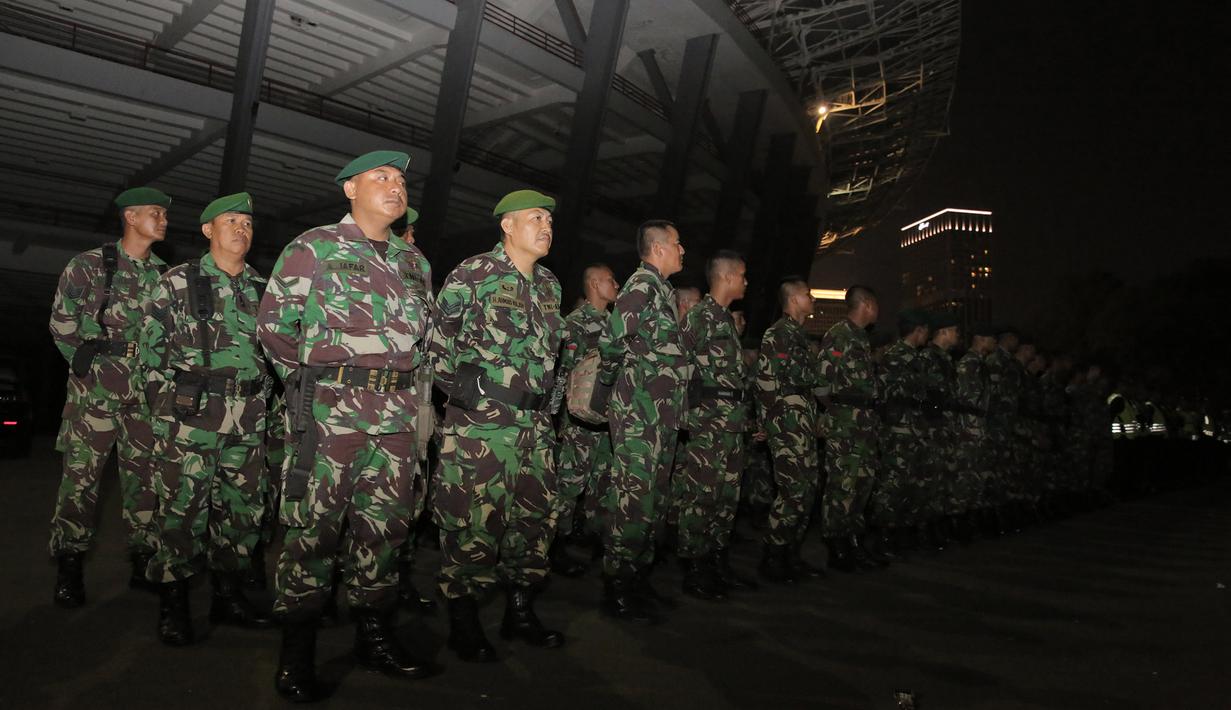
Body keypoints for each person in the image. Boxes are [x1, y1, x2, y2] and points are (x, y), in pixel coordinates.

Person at [258, 150, 438, 701]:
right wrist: (320, 382)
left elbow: (424, 341)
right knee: (314, 529)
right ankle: (297, 651)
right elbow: (273, 327)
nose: (395, 186)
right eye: (380, 177)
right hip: (331, 414)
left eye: (401, 180)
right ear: (349, 190)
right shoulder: (314, 247)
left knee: (386, 529)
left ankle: (373, 635)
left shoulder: (415, 264)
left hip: (398, 416)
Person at [430, 189, 567, 661]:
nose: (546, 226)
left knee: (533, 521)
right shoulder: (473, 274)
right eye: (535, 218)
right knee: (473, 522)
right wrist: (467, 397)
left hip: (537, 426)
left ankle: (520, 611)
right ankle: (463, 620)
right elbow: (436, 342)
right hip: (483, 428)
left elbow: (554, 357)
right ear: (507, 226)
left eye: (549, 219)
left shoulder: (550, 285)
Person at [140, 192, 274, 645]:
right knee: (182, 512)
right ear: (207, 230)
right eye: (231, 221)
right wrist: (167, 418)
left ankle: (228, 597)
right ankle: (174, 605)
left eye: (248, 224)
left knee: (243, 513)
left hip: (248, 421)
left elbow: (276, 357)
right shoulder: (178, 282)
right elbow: (151, 356)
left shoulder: (263, 288)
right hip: (191, 420)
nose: (241, 229)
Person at [48, 186, 170, 607]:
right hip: (95, 393)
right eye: (155, 212)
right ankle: (69, 563)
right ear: (131, 217)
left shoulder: (164, 276)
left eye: (164, 214)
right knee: (81, 481)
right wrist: (87, 366)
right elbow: (62, 324)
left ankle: (143, 561)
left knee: (146, 482)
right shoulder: (88, 265)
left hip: (145, 397)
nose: (164, 219)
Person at [597, 219, 687, 623]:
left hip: (661, 414)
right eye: (678, 244)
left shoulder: (661, 290)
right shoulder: (641, 286)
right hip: (639, 412)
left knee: (653, 498)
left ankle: (637, 577)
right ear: (659, 248)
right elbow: (613, 339)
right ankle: (616, 584)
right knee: (633, 498)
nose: (683, 251)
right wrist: (614, 383)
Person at [676, 251, 757, 599]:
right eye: (742, 274)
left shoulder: (724, 319)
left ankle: (716, 561)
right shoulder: (701, 317)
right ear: (725, 277)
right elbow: (678, 367)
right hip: (708, 424)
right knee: (702, 496)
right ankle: (695, 568)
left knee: (726, 498)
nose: (746, 281)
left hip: (732, 424)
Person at [754, 278, 825, 582]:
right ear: (794, 300)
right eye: (808, 295)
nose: (812, 299)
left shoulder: (799, 336)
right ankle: (773, 556)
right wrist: (768, 423)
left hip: (803, 421)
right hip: (786, 423)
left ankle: (791, 554)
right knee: (792, 490)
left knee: (807, 490)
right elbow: (766, 381)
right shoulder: (778, 334)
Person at [553, 263, 620, 574]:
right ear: (594, 283)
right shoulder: (576, 323)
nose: (616, 285)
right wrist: (555, 419)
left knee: (602, 483)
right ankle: (554, 544)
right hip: (578, 423)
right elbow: (561, 372)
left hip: (606, 423)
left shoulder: (615, 324)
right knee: (568, 485)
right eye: (611, 280)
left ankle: (589, 536)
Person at [817, 285, 880, 572]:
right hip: (845, 422)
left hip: (864, 422)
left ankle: (853, 539)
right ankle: (836, 545)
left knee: (862, 483)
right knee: (842, 485)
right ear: (866, 303)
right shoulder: (839, 334)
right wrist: (835, 412)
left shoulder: (861, 338)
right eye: (875, 304)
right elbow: (820, 382)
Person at [869, 308, 930, 559]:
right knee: (891, 485)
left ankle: (902, 532)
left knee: (910, 483)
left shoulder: (916, 358)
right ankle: (883, 534)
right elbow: (883, 396)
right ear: (918, 330)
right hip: (897, 430)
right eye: (926, 330)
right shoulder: (895, 357)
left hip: (914, 429)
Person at [956, 322, 997, 535]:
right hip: (969, 429)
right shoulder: (969, 365)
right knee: (967, 476)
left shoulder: (980, 364)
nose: (995, 342)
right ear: (981, 338)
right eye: (992, 338)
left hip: (978, 428)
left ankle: (971, 519)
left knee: (977, 476)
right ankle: (961, 522)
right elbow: (964, 401)